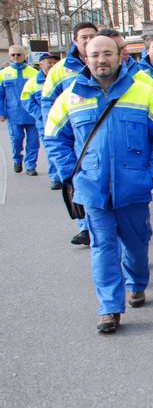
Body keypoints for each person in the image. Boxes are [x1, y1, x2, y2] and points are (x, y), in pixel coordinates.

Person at [45, 33, 153, 332]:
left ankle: (137, 283)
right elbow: (53, 137)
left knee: (137, 246)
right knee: (103, 248)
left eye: (107, 54)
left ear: (120, 56)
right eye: (94, 55)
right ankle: (109, 308)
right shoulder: (70, 96)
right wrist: (72, 174)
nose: (101, 60)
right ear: (86, 59)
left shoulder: (143, 92)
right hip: (93, 190)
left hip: (134, 190)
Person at [42, 22, 99, 246]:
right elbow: (48, 101)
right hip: (73, 132)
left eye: (92, 36)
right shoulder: (60, 69)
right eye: (83, 37)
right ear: (75, 41)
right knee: (77, 177)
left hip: (97, 131)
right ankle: (85, 226)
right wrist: (51, 127)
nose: (88, 40)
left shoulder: (108, 61)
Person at [20, 52, 61, 187]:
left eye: (54, 62)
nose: (52, 65)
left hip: (63, 122)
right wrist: (41, 115)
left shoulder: (61, 78)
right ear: (41, 64)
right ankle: (55, 178)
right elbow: (26, 101)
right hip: (45, 123)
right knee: (52, 149)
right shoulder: (32, 83)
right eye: (49, 62)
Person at [0, 45, 41, 176]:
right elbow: (0, 95)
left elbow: (40, 93)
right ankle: (17, 159)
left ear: (25, 55)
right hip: (14, 114)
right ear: (9, 56)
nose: (16, 57)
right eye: (13, 55)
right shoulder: (3, 74)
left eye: (19, 54)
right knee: (16, 140)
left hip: (32, 113)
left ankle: (31, 166)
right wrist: (1, 113)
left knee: (33, 142)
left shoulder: (34, 73)